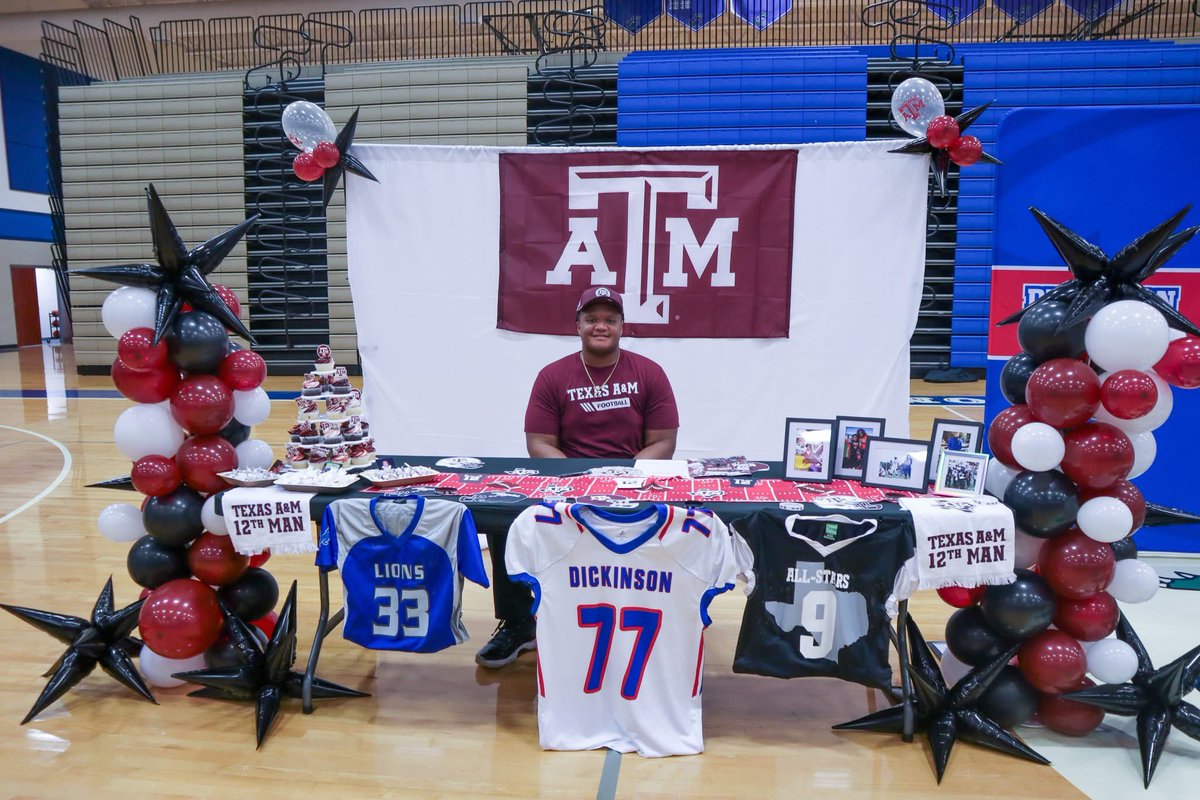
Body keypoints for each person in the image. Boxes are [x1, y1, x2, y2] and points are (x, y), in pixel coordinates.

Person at [474, 287, 680, 668]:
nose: (601, 326)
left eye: (609, 320)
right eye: (592, 319)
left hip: (632, 488)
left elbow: (663, 443)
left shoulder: (649, 373)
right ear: (578, 325)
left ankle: (658, 621)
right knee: (505, 517)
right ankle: (520, 622)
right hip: (568, 485)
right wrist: (579, 484)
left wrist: (622, 481)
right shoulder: (553, 376)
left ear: (622, 326)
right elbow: (539, 444)